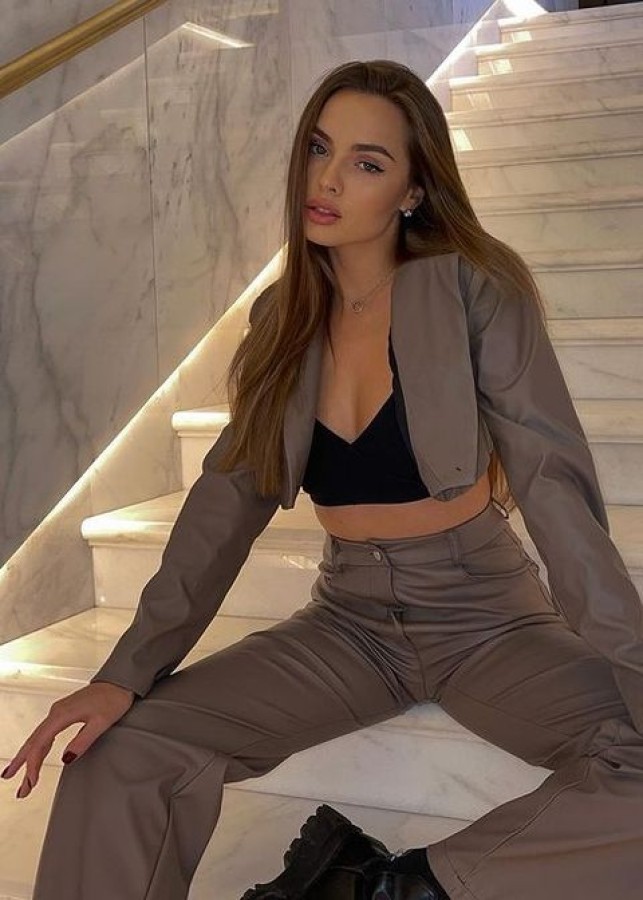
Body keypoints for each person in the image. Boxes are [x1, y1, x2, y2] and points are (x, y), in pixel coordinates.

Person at [2, 58, 643, 900]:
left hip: (485, 617)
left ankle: (392, 887)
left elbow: (555, 493)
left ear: (413, 190)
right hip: (348, 622)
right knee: (121, 751)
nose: (328, 180)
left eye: (366, 162)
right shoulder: (281, 318)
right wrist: (124, 673)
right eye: (317, 148)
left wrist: (632, 662)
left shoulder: (475, 291)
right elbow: (224, 503)